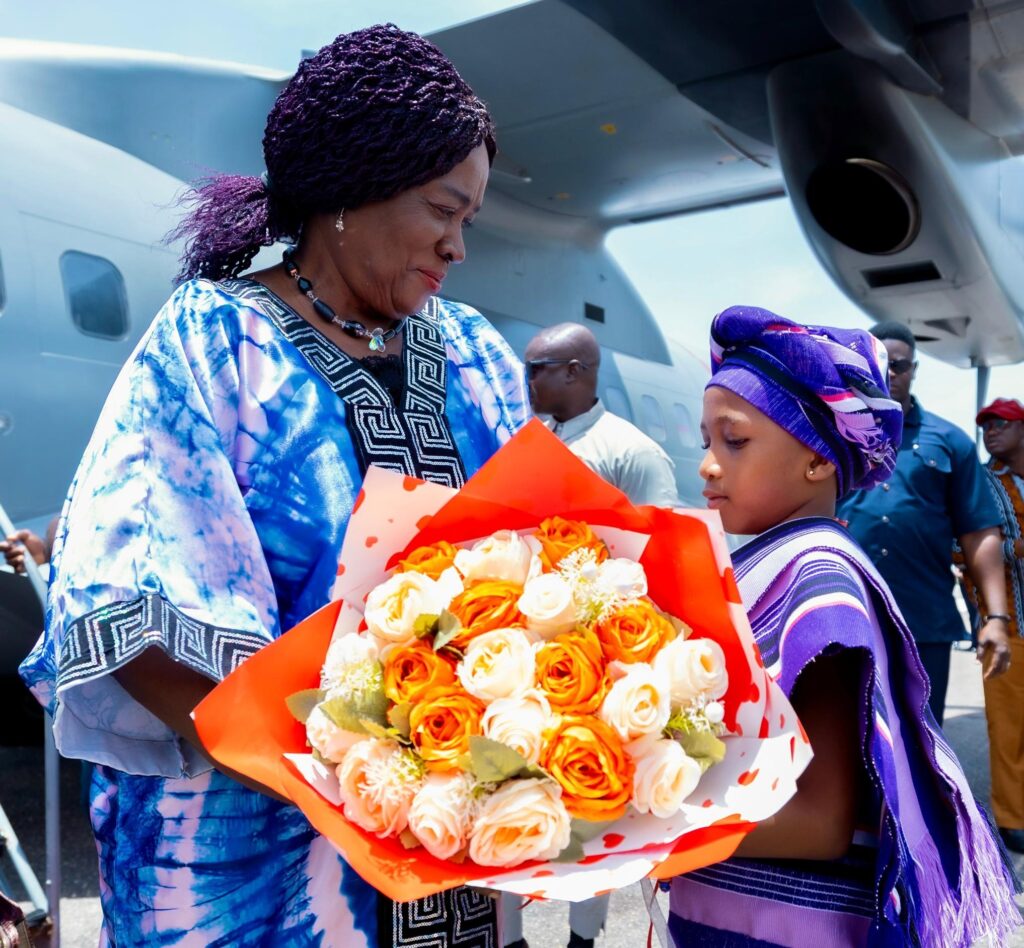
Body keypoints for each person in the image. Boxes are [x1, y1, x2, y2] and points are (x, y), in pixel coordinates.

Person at [19, 25, 528, 947]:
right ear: (353, 186)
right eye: (442, 210)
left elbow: (548, 570)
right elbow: (127, 617)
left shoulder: (479, 356)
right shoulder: (212, 342)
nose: (458, 246)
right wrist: (350, 781)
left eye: (470, 221)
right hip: (253, 871)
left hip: (456, 861)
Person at [667, 306, 1018, 947]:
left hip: (777, 929)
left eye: (735, 441)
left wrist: (645, 829)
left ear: (818, 460)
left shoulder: (817, 578)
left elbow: (819, 823)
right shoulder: (774, 560)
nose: (708, 466)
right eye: (707, 442)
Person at [837, 321, 1009, 725]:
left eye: (899, 364)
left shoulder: (950, 441)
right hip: (846, 615)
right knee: (849, 735)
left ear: (914, 369)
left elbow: (980, 532)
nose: (889, 373)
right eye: (879, 363)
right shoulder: (834, 436)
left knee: (923, 737)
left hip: (925, 622)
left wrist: (997, 618)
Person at [960, 397, 1024, 854]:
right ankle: (1012, 819)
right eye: (986, 426)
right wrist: (1014, 548)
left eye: (1001, 424)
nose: (991, 432)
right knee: (1008, 729)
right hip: (1007, 625)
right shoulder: (979, 483)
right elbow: (958, 546)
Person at [524, 323, 680, 507]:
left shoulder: (634, 454)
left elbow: (659, 525)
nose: (525, 380)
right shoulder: (526, 444)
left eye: (533, 370)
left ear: (572, 371)